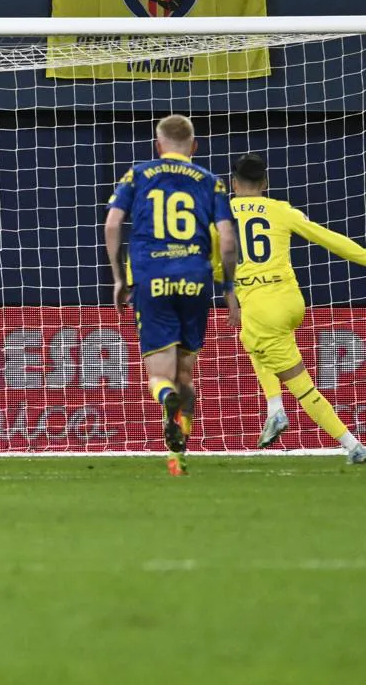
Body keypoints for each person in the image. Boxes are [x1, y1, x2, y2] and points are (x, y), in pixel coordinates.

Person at [104, 114, 238, 477]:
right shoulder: (211, 182)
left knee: (159, 377)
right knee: (186, 373)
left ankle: (167, 401)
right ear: (193, 146)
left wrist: (118, 278)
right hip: (195, 279)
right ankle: (179, 456)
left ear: (158, 144)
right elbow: (227, 240)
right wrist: (228, 288)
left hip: (152, 278)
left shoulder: (139, 174)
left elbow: (113, 223)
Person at [226, 154, 366, 463]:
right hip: (290, 300)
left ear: (232, 184)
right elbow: (328, 238)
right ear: (264, 183)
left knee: (301, 385)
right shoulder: (281, 210)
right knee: (251, 340)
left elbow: (214, 262)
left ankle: (353, 446)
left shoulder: (219, 215)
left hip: (261, 304)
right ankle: (274, 407)